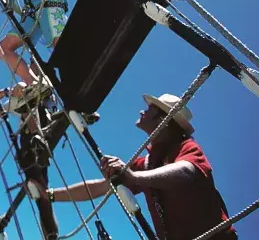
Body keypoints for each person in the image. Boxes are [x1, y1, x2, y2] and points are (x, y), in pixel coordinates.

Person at [47, 94, 237, 240]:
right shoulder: (148, 164)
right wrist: (52, 195)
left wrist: (134, 177)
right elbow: (101, 187)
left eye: (150, 108)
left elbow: (188, 172)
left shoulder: (186, 148)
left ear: (164, 120)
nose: (141, 111)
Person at [0, 79, 61, 240]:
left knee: (41, 192)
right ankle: (51, 236)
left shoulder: (45, 90)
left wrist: (5, 92)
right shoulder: (19, 97)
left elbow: (26, 89)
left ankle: (51, 235)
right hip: (30, 143)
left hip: (41, 136)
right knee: (41, 194)